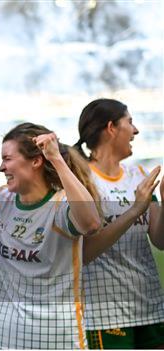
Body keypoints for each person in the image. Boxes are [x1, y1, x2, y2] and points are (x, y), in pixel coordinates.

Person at [0, 122, 101, 349]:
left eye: (7, 158)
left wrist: (56, 159)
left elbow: (92, 223)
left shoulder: (61, 206)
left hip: (60, 342)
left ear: (36, 161)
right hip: (4, 342)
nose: (1, 167)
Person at [73, 98, 164, 349]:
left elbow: (159, 240)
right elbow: (85, 252)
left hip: (151, 307)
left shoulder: (139, 176)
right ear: (111, 127)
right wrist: (135, 210)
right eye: (130, 122)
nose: (135, 131)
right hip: (107, 315)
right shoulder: (82, 181)